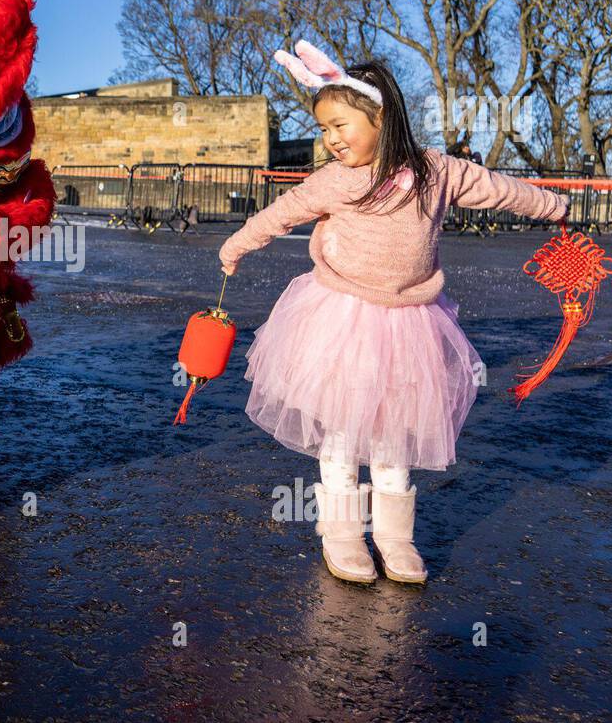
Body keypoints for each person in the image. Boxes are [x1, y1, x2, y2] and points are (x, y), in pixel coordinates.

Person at [219, 40, 568, 585]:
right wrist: (236, 246)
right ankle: (341, 534)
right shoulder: (335, 180)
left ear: (380, 116)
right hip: (341, 319)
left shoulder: (436, 170)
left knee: (392, 436)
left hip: (411, 322)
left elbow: (497, 188)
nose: (331, 139)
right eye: (325, 129)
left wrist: (555, 205)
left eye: (341, 125)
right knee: (340, 434)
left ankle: (395, 538)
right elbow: (281, 213)